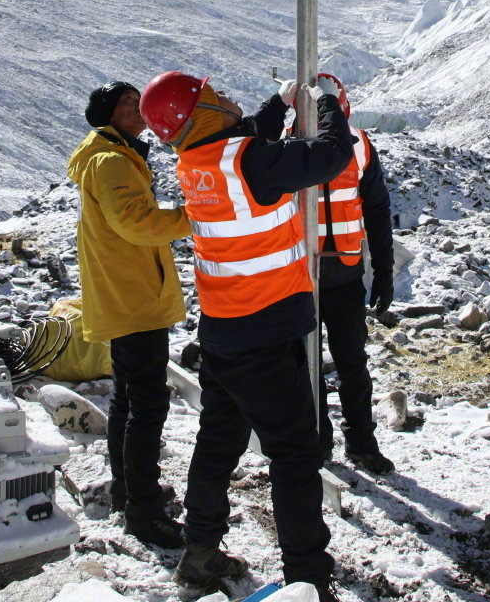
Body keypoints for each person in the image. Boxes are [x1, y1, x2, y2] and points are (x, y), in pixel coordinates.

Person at [139, 71, 353, 599]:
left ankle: (201, 551)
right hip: (268, 330)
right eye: (215, 96)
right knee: (295, 454)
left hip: (223, 329)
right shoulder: (251, 162)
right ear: (201, 114)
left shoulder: (200, 161)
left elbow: (248, 136)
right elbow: (331, 156)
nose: (226, 98)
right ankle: (308, 577)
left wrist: (278, 105)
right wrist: (327, 103)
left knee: (220, 438)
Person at [66, 80, 190, 548]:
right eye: (125, 104)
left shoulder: (111, 155)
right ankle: (144, 511)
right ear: (106, 115)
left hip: (124, 293)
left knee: (128, 399)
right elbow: (137, 223)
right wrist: (191, 216)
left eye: (138, 102)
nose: (137, 109)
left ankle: (127, 490)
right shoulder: (112, 161)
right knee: (147, 404)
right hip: (134, 297)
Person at [269, 74, 395, 474]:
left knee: (352, 362)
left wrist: (385, 269)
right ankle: (317, 442)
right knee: (305, 364)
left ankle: (361, 442)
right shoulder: (280, 143)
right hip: (298, 274)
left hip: (342, 272)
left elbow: (376, 209)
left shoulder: (358, 145)